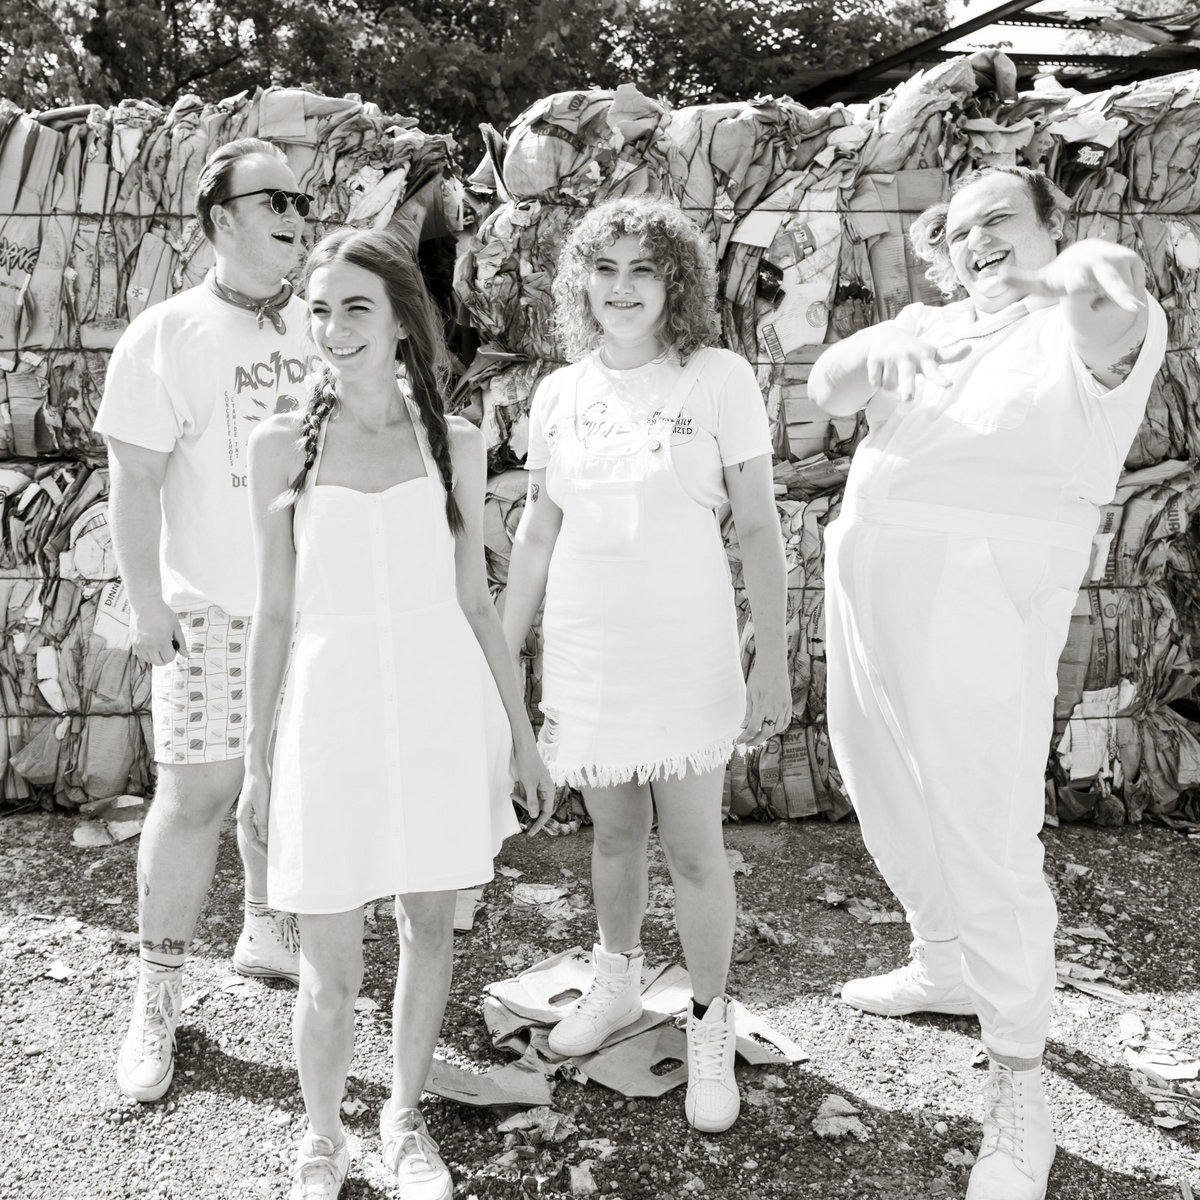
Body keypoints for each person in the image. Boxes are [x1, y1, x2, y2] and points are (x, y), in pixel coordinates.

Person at [808, 165, 1167, 1200]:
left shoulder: (1075, 327)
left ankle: (1019, 1081)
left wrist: (1082, 272)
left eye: (1001, 218)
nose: (978, 241)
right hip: (866, 578)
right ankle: (945, 962)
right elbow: (829, 391)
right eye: (960, 231)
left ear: (1053, 226)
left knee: (984, 827)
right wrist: (871, 349)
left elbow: (1110, 294)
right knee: (880, 785)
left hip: (978, 597)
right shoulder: (930, 323)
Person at [240, 225, 554, 1200]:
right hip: (328, 715)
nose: (334, 328)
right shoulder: (278, 447)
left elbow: (475, 602)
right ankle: (322, 1138)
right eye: (320, 310)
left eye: (356, 308)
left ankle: (405, 1119)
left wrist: (522, 739)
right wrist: (256, 763)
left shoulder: (453, 443)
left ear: (401, 320)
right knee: (329, 968)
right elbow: (274, 613)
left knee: (428, 928)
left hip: (437, 709)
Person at [501, 196, 791, 1134]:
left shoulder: (718, 378)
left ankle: (709, 1020)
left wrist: (771, 658)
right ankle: (617, 981)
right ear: (580, 282)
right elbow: (538, 530)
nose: (623, 288)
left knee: (696, 848)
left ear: (677, 284)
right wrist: (500, 657)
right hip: (588, 648)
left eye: (644, 270)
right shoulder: (559, 392)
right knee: (614, 835)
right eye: (606, 269)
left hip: (686, 647)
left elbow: (758, 527)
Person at [95, 137, 316, 1103]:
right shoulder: (165, 334)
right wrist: (146, 604)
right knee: (196, 797)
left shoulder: (325, 320)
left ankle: (267, 927)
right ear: (221, 218)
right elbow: (134, 480)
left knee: (297, 782)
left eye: (303, 199)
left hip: (316, 609)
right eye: (275, 199)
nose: (298, 214)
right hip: (211, 609)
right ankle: (155, 997)